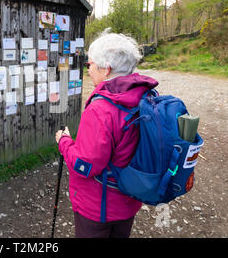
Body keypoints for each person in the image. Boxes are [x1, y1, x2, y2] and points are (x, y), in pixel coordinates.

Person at [55, 32, 159, 238]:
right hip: (128, 200)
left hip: (98, 208)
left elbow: (86, 165)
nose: (89, 70)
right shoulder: (145, 96)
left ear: (106, 69)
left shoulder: (101, 109)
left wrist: (64, 142)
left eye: (90, 65)